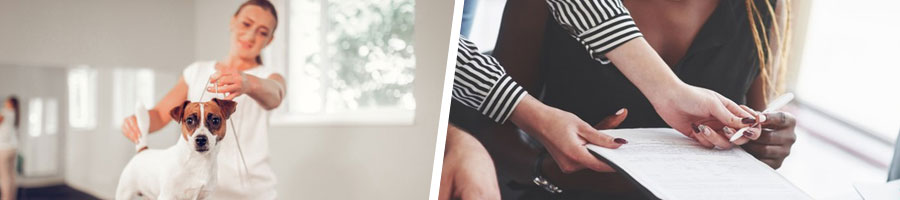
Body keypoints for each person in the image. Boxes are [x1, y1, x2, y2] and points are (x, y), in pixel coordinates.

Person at [468, 0, 797, 198]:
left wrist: (763, 140)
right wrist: (549, 171)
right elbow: (487, 129)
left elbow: (753, 119)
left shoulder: (762, 9)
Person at [120, 0, 285, 199]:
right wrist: (137, 122)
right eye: (246, 24)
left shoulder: (269, 75)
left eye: (262, 32)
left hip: (253, 194)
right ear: (233, 22)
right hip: (196, 190)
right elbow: (160, 114)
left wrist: (248, 83)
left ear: (270, 40)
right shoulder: (197, 71)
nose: (250, 36)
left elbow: (276, 94)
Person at [0, 96, 18, 200]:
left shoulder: (5, 112)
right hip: (13, 148)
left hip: (4, 149)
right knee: (11, 175)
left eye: (7, 101)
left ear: (11, 103)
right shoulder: (14, 113)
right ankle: (11, 197)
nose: (5, 103)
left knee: (5, 177)